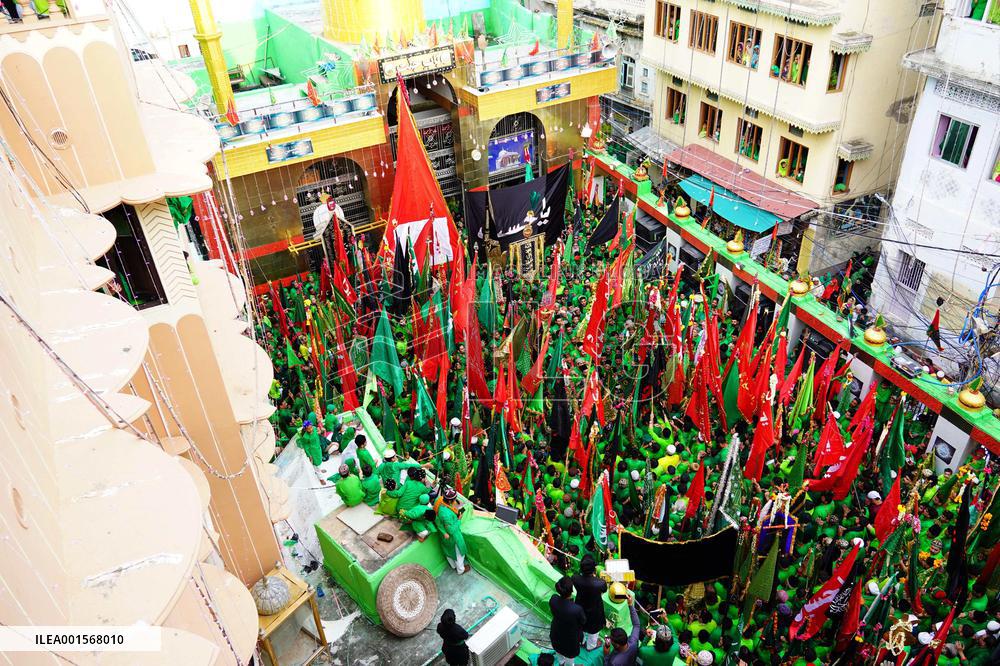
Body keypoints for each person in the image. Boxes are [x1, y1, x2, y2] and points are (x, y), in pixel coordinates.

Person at [572, 554, 608, 650]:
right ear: (594, 569)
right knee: (593, 630)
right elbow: (604, 590)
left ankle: (582, 641)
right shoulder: (600, 583)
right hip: (595, 609)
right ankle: (591, 646)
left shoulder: (575, 578)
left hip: (580, 605)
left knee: (581, 625)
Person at [549, 576, 586, 666]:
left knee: (558, 649)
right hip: (570, 638)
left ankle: (562, 663)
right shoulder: (576, 609)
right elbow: (583, 621)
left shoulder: (553, 599)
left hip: (556, 632)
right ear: (571, 590)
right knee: (570, 657)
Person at [435, 487, 470, 574]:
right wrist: (459, 520)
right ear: (450, 501)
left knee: (449, 552)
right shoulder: (446, 514)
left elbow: (437, 521)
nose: (455, 501)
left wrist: (443, 532)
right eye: (454, 499)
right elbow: (451, 530)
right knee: (458, 554)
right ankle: (461, 570)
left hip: (444, 536)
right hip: (453, 537)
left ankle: (453, 566)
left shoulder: (440, 503)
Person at [603, 593, 640, 666]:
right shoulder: (633, 642)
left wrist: (606, 655)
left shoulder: (614, 662)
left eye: (611, 639)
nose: (609, 639)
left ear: (616, 645)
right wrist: (630, 605)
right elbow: (636, 625)